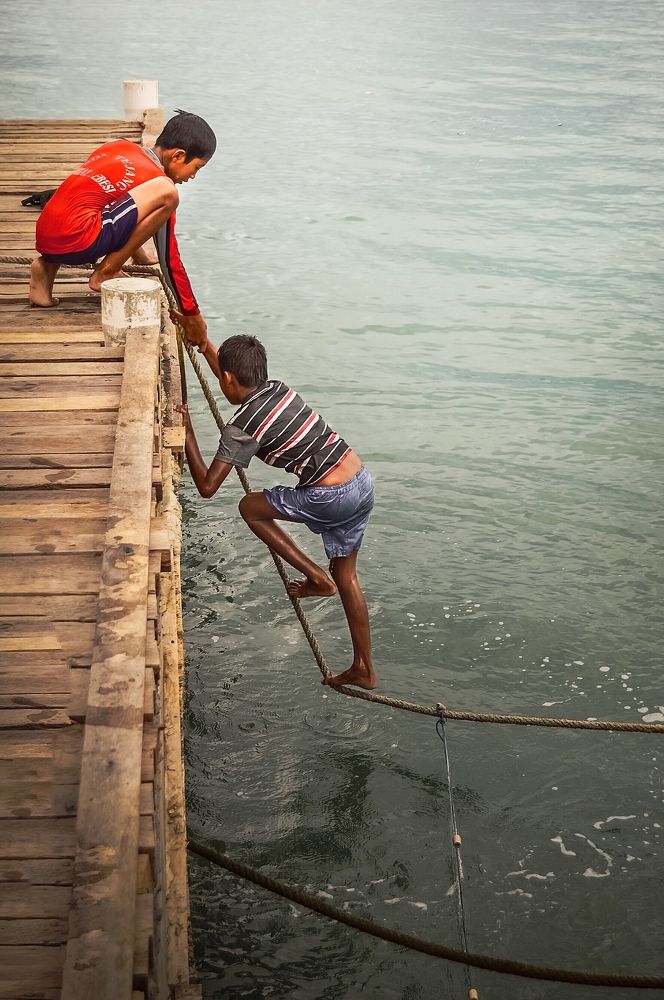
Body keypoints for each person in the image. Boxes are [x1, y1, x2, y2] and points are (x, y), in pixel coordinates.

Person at [181, 333, 378, 690]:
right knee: (347, 577)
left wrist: (188, 435)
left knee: (250, 507)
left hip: (330, 494)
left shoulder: (241, 428)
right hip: (360, 480)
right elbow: (234, 383)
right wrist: (206, 345)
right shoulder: (278, 389)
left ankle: (317, 577)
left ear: (226, 377)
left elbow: (208, 488)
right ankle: (364, 667)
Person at [30, 109, 214, 350]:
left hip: (47, 235)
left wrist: (140, 256)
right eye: (197, 168)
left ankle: (44, 272)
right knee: (167, 193)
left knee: (93, 202)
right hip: (79, 242)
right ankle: (106, 271)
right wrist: (192, 313)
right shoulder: (157, 181)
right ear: (178, 156)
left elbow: (116, 204)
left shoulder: (118, 147)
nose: (193, 177)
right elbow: (170, 259)